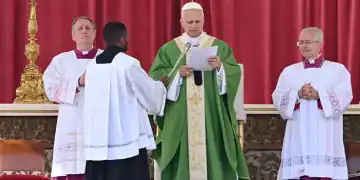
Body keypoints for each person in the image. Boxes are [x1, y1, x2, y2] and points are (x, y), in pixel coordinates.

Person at [148, 2, 250, 180]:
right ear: (181, 22)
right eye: (189, 22)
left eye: (197, 21)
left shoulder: (219, 46)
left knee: (214, 150)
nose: (194, 26)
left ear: (203, 20)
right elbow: (156, 78)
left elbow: (234, 72)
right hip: (180, 116)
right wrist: (177, 76)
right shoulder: (169, 49)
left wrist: (220, 68)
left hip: (211, 115)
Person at [82, 21, 168, 180]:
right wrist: (161, 85)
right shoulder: (128, 64)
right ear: (122, 39)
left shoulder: (92, 66)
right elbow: (148, 93)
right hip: (125, 141)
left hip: (97, 140)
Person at [272, 27, 352, 180]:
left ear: (319, 44)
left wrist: (318, 95)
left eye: (308, 42)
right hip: (298, 132)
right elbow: (278, 97)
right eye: (300, 42)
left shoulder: (337, 70)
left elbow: (345, 95)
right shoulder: (289, 72)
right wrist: (297, 95)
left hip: (325, 131)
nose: (304, 46)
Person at [43, 16, 102, 180]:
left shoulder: (106, 58)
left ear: (95, 33)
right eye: (80, 29)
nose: (84, 31)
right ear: (73, 35)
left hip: (100, 121)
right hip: (72, 120)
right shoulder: (60, 61)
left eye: (88, 28)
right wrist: (78, 82)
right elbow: (50, 90)